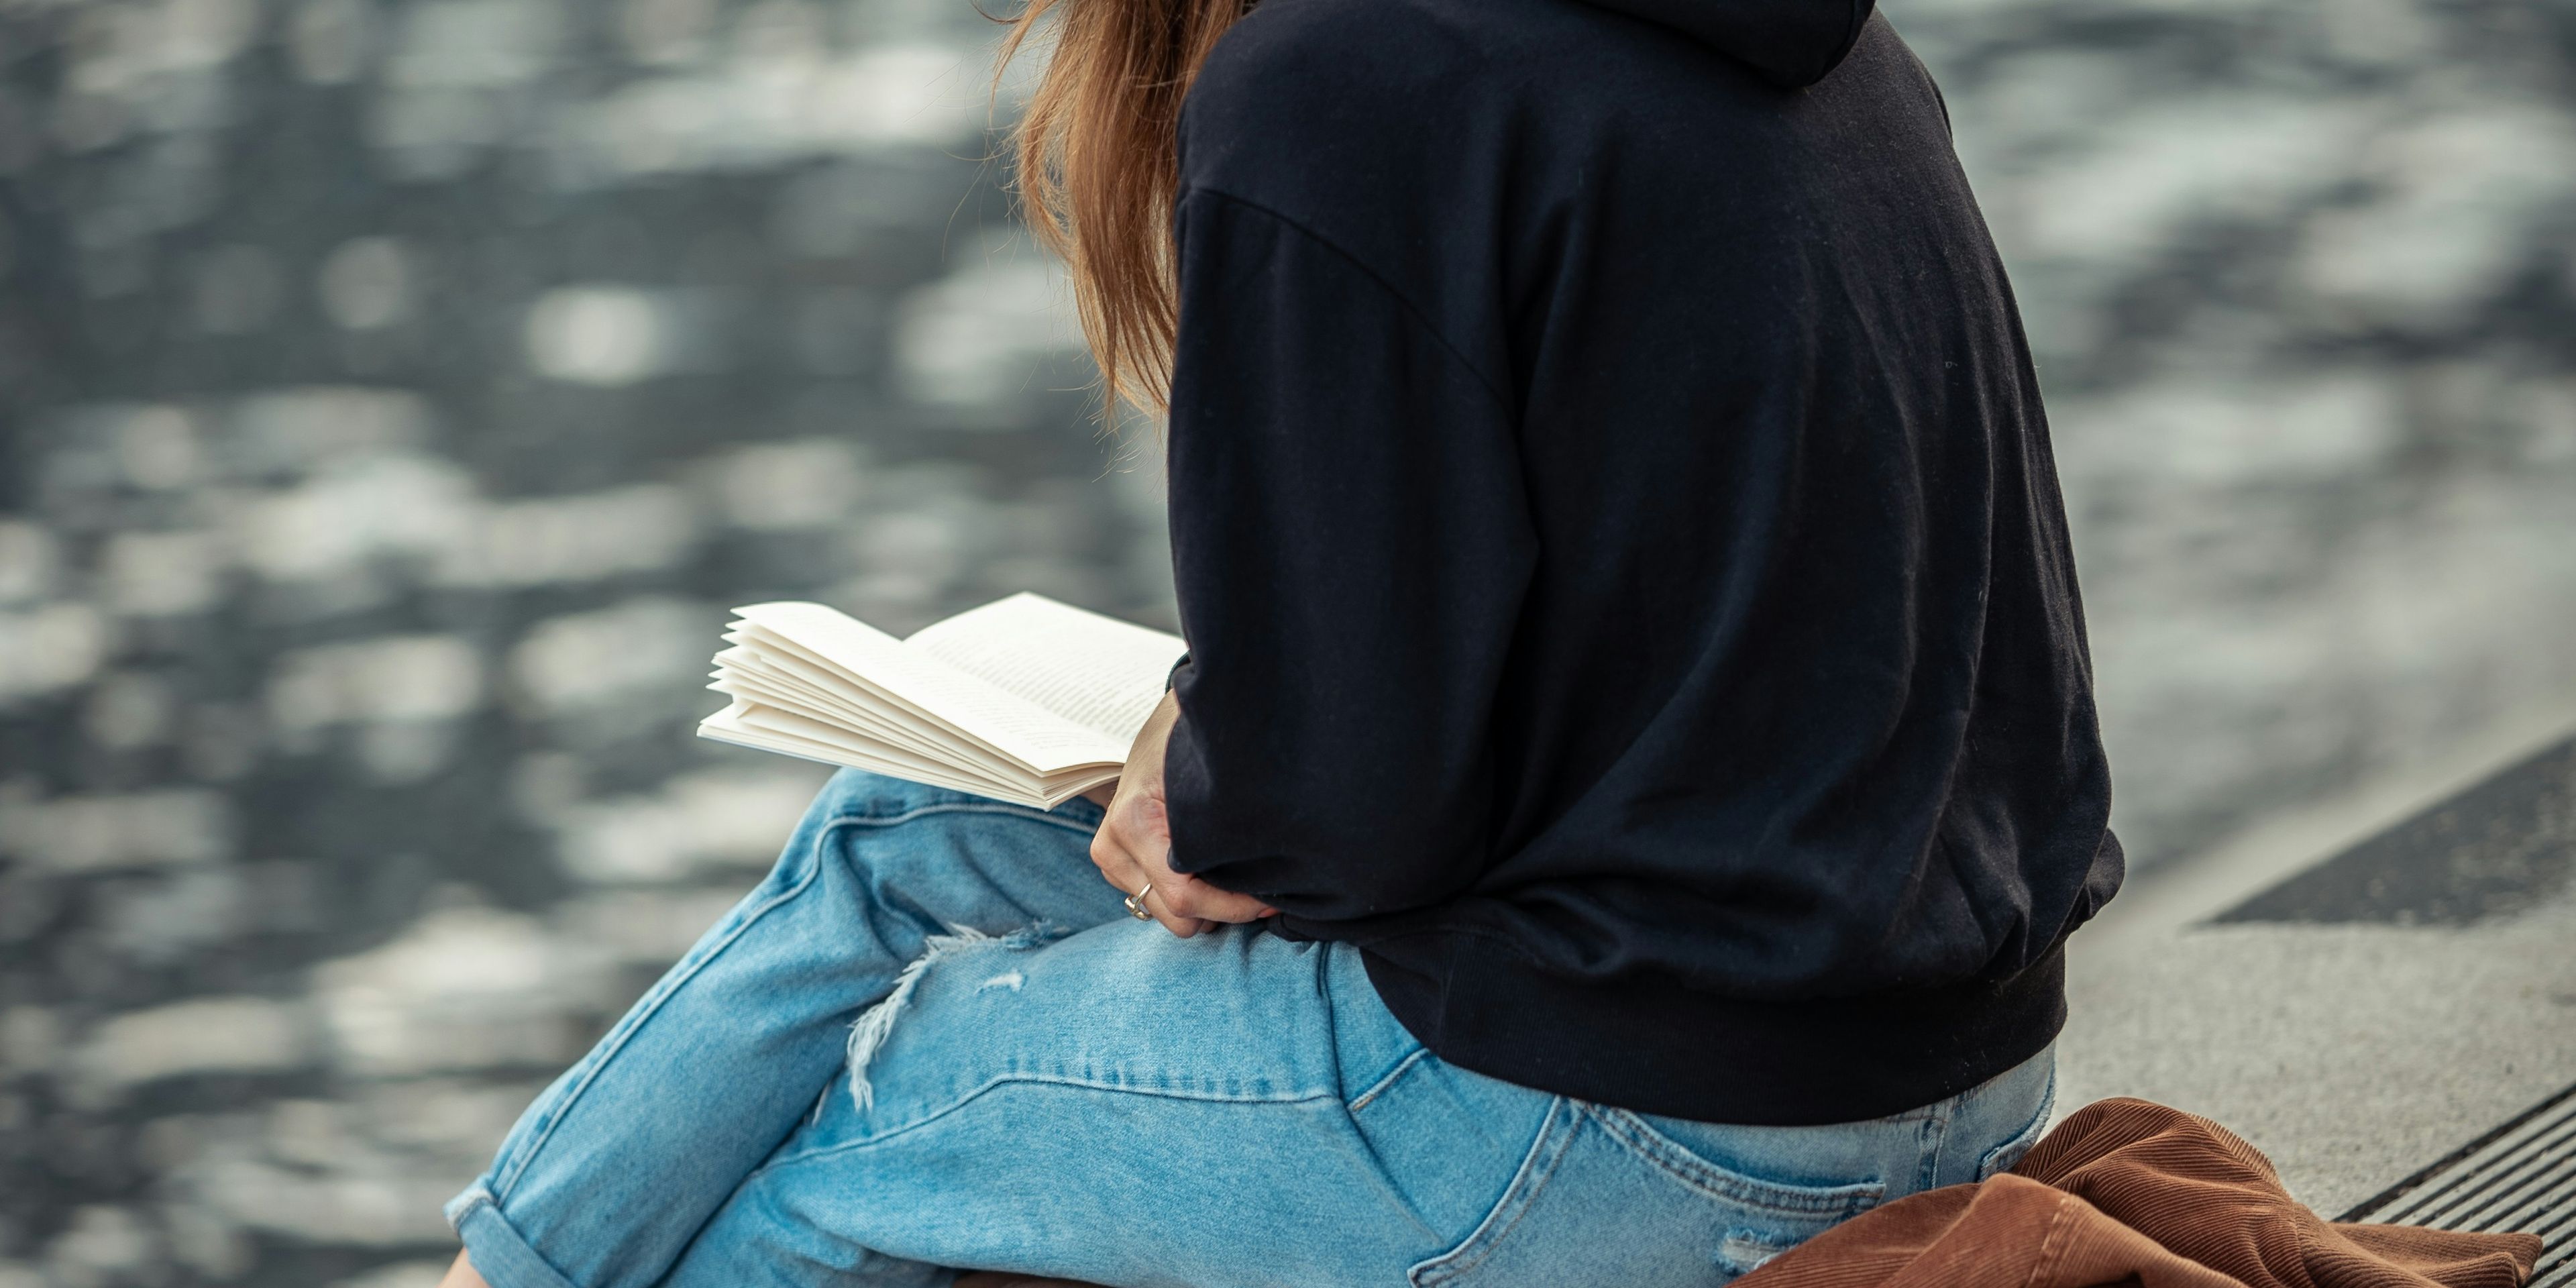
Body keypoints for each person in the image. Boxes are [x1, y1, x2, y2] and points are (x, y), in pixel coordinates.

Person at [436, 0, 2124, 1281]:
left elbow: (1339, 820)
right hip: (1948, 1045)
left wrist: (1225, 780)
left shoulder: (1333, 81)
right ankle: (497, 1267)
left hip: (1661, 1126)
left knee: (881, 1126)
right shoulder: (1819, 49)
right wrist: (1214, 730)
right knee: (896, 827)